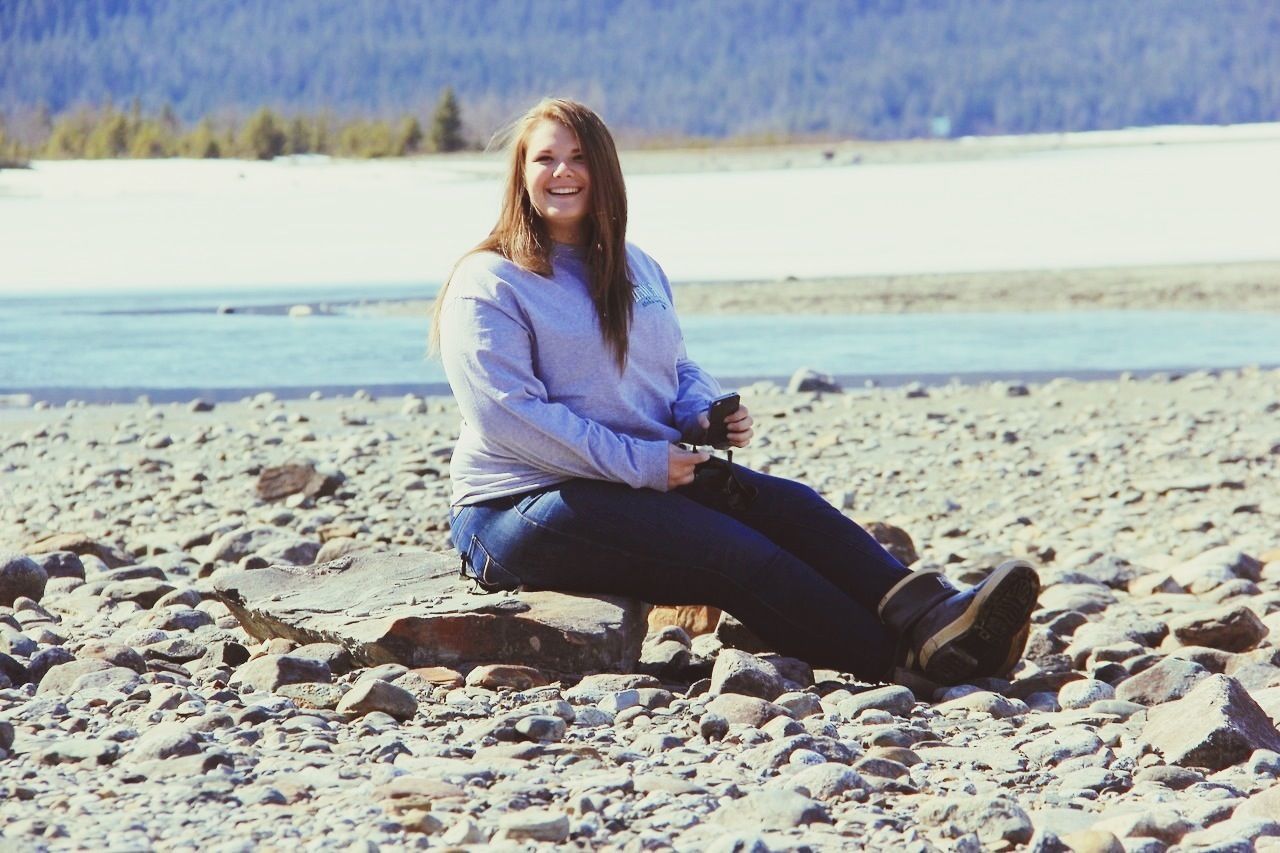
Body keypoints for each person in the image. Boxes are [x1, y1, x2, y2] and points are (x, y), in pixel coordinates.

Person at [432, 98, 1039, 687]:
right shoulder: (490, 281)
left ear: (605, 170)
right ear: (521, 174)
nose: (563, 172)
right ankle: (906, 662)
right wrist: (648, 463)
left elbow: (674, 365)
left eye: (579, 156)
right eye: (545, 159)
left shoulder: (634, 266)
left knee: (791, 507)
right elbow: (510, 419)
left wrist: (701, 413)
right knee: (731, 555)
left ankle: (932, 617)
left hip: (628, 480)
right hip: (516, 508)